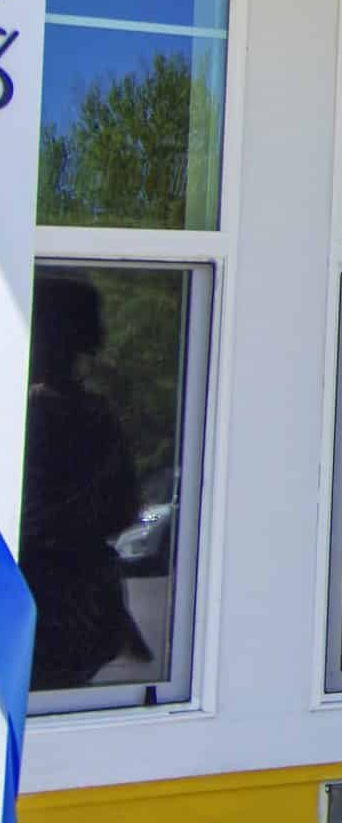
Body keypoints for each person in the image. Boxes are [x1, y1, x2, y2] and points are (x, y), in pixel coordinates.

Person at [21, 274, 150, 691]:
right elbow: (124, 506)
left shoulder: (30, 414)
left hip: (41, 603)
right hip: (83, 608)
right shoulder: (95, 414)